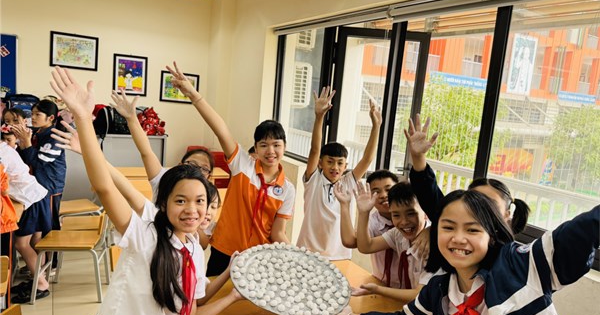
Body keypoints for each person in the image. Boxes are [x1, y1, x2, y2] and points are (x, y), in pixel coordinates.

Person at [49, 66, 243, 315]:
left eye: (200, 201)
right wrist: (85, 122)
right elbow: (107, 187)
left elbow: (191, 310)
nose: (192, 209)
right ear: (164, 203)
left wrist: (230, 284)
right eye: (181, 201)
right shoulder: (147, 233)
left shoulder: (194, 249)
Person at [337, 189, 599, 315]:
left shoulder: (522, 266)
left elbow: (584, 229)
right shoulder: (439, 291)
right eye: (448, 227)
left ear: (491, 234)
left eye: (472, 230)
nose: (458, 238)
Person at [166, 61, 295, 276]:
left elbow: (278, 232)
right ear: (256, 148)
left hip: (258, 258)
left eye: (276, 145)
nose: (270, 151)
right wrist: (194, 95)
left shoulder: (288, 189)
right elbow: (221, 130)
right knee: (213, 295)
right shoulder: (243, 166)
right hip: (224, 250)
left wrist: (294, 256)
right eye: (264, 145)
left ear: (285, 147)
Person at [295, 87, 382, 260]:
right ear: (320, 163)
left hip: (339, 255)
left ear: (345, 166)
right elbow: (315, 149)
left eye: (340, 163)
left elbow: (367, 159)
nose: (335, 167)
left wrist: (376, 126)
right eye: (330, 161)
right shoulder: (313, 179)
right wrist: (319, 117)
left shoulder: (348, 182)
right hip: (307, 251)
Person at [405, 114, 530, 233]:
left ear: (507, 215)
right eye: (473, 201)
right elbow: (428, 193)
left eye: (490, 204)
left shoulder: (507, 248)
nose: (480, 209)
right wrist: (418, 157)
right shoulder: (450, 221)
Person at [9, 99, 66, 303]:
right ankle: (38, 274)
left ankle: (45, 275)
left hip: (47, 189)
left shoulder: (53, 136)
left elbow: (39, 163)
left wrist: (25, 143)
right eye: (31, 114)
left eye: (37, 115)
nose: (32, 118)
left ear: (50, 118)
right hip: (38, 189)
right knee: (37, 235)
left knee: (43, 232)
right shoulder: (38, 133)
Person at [110, 90, 214, 199]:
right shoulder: (164, 179)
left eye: (204, 168)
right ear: (180, 165)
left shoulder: (209, 197)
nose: (197, 171)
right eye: (192, 164)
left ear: (209, 176)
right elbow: (146, 152)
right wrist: (131, 118)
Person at [351, 180, 432, 302]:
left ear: (426, 212)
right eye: (396, 215)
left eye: (411, 214)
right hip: (411, 305)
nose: (404, 222)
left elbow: (420, 295)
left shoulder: (432, 243)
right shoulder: (397, 234)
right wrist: (363, 213)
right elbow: (365, 247)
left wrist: (377, 289)